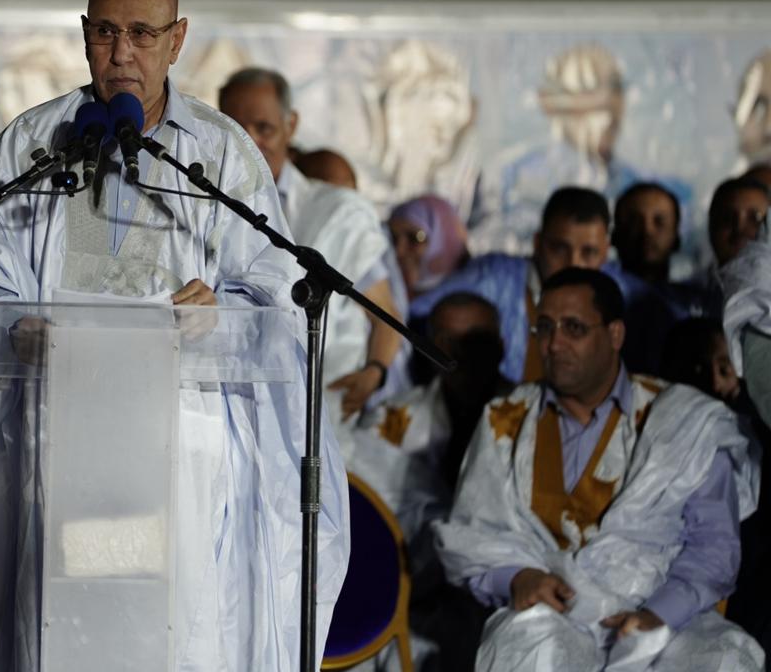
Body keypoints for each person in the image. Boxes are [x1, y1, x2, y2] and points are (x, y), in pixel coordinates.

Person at [0, 0, 349, 670]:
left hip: (182, 450)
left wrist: (221, 311)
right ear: (84, 36)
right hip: (53, 438)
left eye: (142, 34)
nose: (121, 54)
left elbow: (280, 298)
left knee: (171, 639)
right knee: (52, 636)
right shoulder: (35, 143)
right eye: (105, 33)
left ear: (177, 41)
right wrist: (13, 323)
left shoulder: (221, 153)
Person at [435, 268, 763, 671]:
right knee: (522, 649)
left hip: (667, 618)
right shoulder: (505, 420)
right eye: (544, 327)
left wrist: (657, 615)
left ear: (615, 335)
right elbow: (472, 536)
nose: (554, 343)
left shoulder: (684, 421)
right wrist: (518, 578)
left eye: (573, 328)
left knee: (727, 658)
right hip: (552, 619)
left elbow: (714, 547)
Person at [219, 66, 405, 417]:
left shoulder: (337, 212)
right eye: (237, 130)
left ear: (291, 125)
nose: (250, 142)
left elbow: (384, 315)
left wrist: (374, 372)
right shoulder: (201, 205)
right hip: (227, 404)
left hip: (319, 409)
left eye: (264, 128)